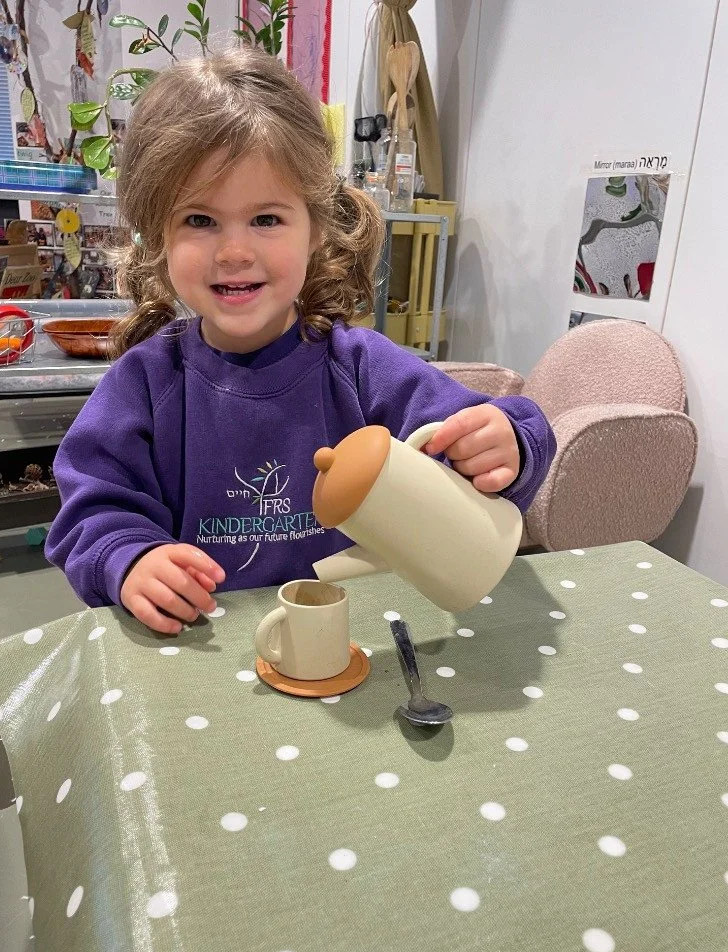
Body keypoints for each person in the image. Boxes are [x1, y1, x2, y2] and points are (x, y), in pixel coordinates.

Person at [45, 48, 556, 636]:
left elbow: (488, 433)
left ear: (316, 228)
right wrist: (129, 559)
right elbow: (93, 508)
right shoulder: (145, 384)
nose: (234, 251)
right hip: (202, 655)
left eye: (266, 219)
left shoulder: (362, 368)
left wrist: (508, 444)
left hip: (350, 647)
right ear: (158, 236)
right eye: (199, 220)